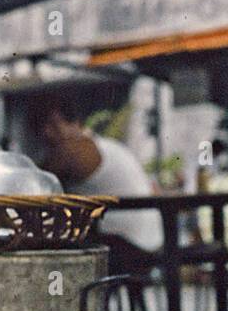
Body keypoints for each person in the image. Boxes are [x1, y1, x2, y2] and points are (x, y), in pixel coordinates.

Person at [24, 95, 162, 264]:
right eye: (41, 127)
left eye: (53, 124)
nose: (46, 132)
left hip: (125, 244)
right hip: (150, 241)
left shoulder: (78, 150)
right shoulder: (108, 146)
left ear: (75, 123)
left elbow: (31, 182)